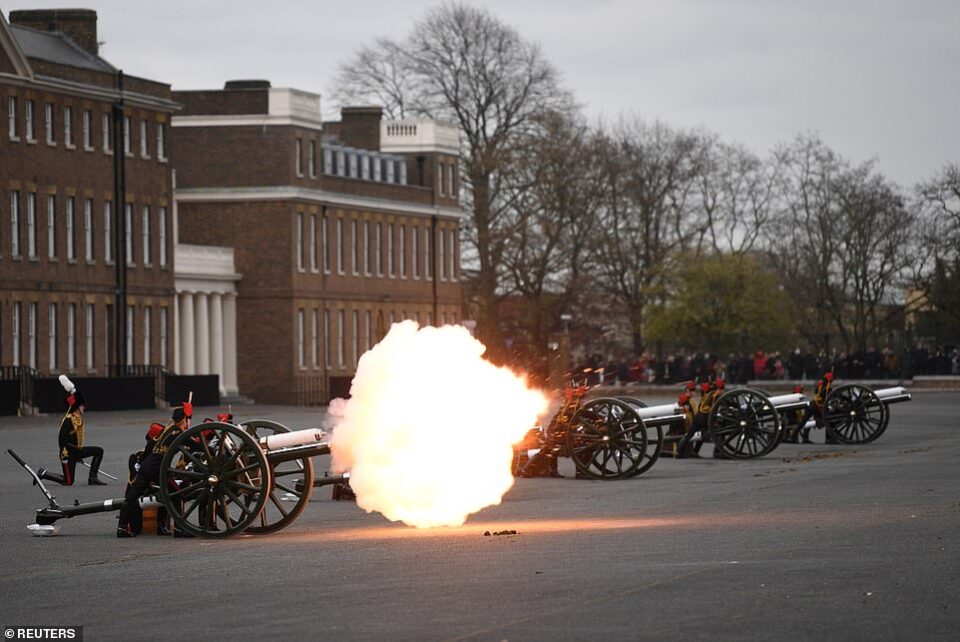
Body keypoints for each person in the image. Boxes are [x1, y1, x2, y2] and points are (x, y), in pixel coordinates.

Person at [117, 400, 192, 538]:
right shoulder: (177, 433)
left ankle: (122, 527)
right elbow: (194, 444)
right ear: (184, 420)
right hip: (157, 469)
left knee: (131, 497)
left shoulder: (169, 431)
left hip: (147, 467)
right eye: (188, 420)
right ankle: (180, 529)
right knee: (176, 494)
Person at [37, 377, 107, 486]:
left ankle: (92, 478)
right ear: (77, 407)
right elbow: (62, 441)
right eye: (82, 405)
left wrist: (78, 454)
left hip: (75, 452)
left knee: (99, 451)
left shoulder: (77, 418)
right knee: (68, 481)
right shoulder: (69, 420)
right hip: (67, 453)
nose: (84, 407)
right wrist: (74, 453)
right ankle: (44, 473)